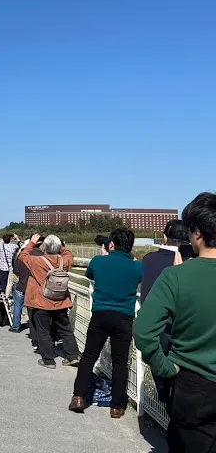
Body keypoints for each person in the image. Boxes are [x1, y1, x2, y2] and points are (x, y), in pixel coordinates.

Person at [134, 192, 216, 452]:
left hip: (194, 386)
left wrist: (165, 367)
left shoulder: (175, 277)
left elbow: (144, 331)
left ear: (198, 234)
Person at [69, 228, 142, 418]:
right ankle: (117, 406)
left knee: (89, 356)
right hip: (124, 318)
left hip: (100, 315)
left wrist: (104, 255)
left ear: (112, 244)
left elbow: (90, 275)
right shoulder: (137, 266)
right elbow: (140, 278)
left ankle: (78, 396)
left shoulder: (99, 261)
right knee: (120, 363)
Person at [138, 220, 190, 412]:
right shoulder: (194, 263)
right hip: (184, 333)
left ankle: (167, 407)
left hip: (157, 331)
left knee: (164, 384)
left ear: (165, 236)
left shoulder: (149, 260)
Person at [18, 234, 80, 369]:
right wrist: (61, 247)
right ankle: (73, 356)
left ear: (44, 247)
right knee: (66, 330)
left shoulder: (37, 261)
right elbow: (69, 253)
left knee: (43, 330)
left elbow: (22, 256)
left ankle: (48, 360)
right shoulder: (65, 261)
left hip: (42, 301)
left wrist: (32, 243)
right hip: (61, 301)